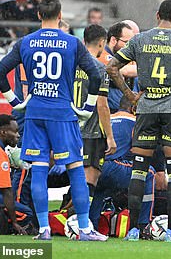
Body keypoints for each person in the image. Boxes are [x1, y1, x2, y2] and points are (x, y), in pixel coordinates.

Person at [0, 0, 107, 241]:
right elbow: (96, 75)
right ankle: (85, 228)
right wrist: (86, 107)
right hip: (62, 114)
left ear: (38, 15)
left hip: (35, 114)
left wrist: (16, 102)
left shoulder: (26, 42)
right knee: (76, 169)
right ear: (60, 14)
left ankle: (44, 228)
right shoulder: (72, 43)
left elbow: (0, 72)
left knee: (40, 170)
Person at [106, 0, 171, 242]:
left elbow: (112, 67)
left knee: (139, 170)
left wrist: (130, 95)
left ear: (157, 16)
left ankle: (133, 230)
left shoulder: (139, 40)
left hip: (146, 109)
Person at [89, 97, 156, 230]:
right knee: (149, 173)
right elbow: (139, 149)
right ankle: (143, 225)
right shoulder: (136, 122)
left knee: (99, 189)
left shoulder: (106, 119)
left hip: (93, 166)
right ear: (134, 108)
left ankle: (92, 227)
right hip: (113, 166)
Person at [73, 24, 116, 209]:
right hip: (91, 131)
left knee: (75, 177)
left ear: (84, 41)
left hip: (71, 128)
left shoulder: (71, 65)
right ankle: (79, 222)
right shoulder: (100, 68)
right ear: (102, 43)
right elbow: (102, 105)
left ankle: (72, 220)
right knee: (90, 177)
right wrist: (110, 137)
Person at [102, 21, 139, 111]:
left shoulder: (121, 57)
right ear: (114, 40)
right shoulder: (103, 56)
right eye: (127, 43)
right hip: (107, 110)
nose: (130, 48)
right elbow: (124, 70)